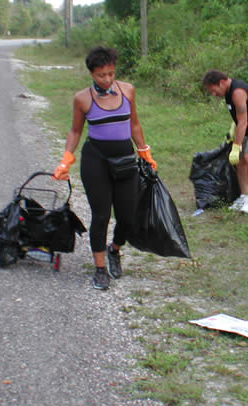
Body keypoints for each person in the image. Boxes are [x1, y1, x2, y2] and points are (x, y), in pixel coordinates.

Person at [53, 46, 157, 290]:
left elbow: (134, 125)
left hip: (125, 160)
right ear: (92, 74)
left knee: (128, 217)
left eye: (111, 73)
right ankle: (100, 269)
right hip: (96, 160)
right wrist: (66, 158)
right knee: (101, 216)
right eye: (102, 75)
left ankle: (115, 249)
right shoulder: (83, 98)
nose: (108, 79)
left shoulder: (128, 90)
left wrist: (145, 153)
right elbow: (76, 130)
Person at [202, 70, 248, 214]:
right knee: (239, 160)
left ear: (222, 82)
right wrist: (232, 134)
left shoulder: (237, 92)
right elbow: (238, 119)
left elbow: (243, 121)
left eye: (213, 90)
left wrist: (237, 145)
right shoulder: (228, 92)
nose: (213, 94)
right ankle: (244, 196)